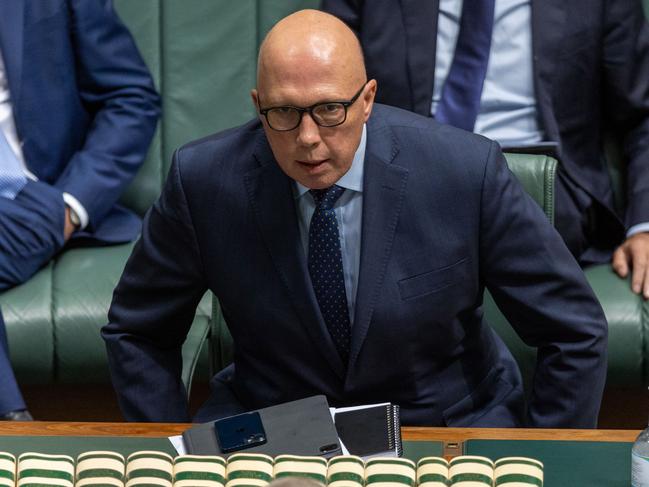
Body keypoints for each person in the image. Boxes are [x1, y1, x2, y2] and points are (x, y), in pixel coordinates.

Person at [103, 9, 607, 428]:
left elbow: (574, 331)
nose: (307, 138)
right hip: (277, 428)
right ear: (258, 107)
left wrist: (549, 459)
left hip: (441, 423)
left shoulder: (465, 171)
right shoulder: (204, 181)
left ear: (367, 100)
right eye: (283, 113)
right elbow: (138, 331)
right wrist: (164, 455)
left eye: (329, 110)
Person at [321, 0, 649, 297]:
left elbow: (642, 115)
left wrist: (644, 225)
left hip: (544, 188)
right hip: (408, 174)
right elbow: (319, 81)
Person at [0, 0, 160, 420]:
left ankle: (15, 434)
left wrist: (71, 206)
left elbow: (131, 98)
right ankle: (15, 430)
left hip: (34, 200)